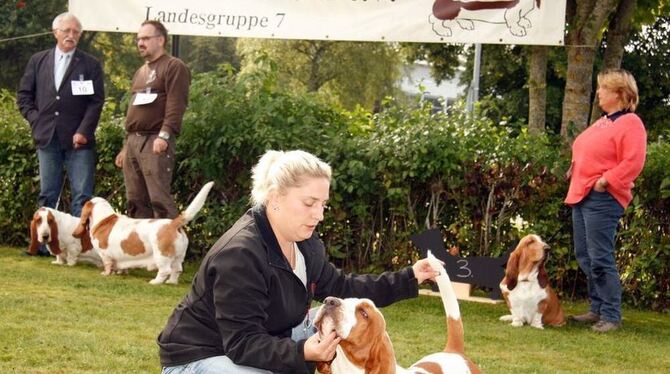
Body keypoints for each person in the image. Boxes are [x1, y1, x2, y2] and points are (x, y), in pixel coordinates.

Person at [157, 150, 440, 373]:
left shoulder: (305, 243)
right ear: (276, 197)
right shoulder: (240, 255)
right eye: (309, 203)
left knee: (337, 314)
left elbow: (342, 288)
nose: (319, 215)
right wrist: (303, 352)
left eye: (323, 204)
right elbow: (242, 343)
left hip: (259, 340)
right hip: (198, 357)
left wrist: (410, 277)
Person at [565, 68, 647, 333]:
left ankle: (611, 315)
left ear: (619, 94)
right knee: (584, 254)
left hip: (602, 197)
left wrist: (606, 180)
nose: (598, 92)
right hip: (583, 193)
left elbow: (633, 162)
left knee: (600, 257)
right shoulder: (604, 121)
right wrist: (576, 167)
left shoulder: (630, 122)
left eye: (603, 88)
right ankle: (597, 309)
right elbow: (590, 151)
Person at [17, 12, 104, 254]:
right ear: (55, 32)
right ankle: (45, 248)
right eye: (66, 31)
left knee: (82, 196)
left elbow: (96, 102)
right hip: (47, 137)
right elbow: (24, 96)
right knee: (48, 195)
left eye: (76, 32)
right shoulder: (38, 60)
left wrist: (84, 131)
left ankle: (78, 247)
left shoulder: (90, 64)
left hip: (79, 142)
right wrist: (37, 121)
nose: (71, 35)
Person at [114, 20, 190, 219]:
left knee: (159, 200)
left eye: (146, 38)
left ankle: (171, 248)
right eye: (139, 39)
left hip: (155, 140)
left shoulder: (174, 66)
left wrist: (164, 135)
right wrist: (125, 146)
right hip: (133, 141)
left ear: (161, 40)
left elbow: (176, 104)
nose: (140, 43)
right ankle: (143, 249)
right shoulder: (140, 72)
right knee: (135, 200)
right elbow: (134, 111)